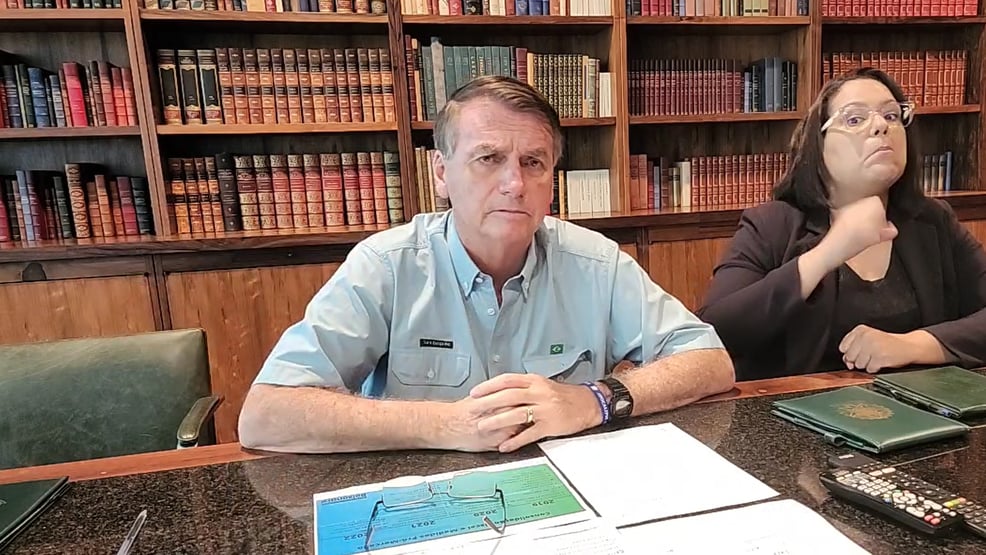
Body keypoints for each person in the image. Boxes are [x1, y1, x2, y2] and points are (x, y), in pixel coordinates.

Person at [238, 75, 734, 454]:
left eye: (533, 163)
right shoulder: (386, 266)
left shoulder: (595, 262)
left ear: (551, 179)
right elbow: (265, 415)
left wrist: (596, 399)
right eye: (488, 158)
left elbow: (711, 362)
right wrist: (445, 425)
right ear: (441, 173)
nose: (514, 184)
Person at [697, 68, 986, 381]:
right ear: (818, 146)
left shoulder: (933, 220)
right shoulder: (772, 224)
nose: (881, 126)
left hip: (916, 403)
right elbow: (716, 331)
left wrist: (914, 345)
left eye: (891, 115)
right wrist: (828, 253)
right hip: (799, 407)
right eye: (855, 119)